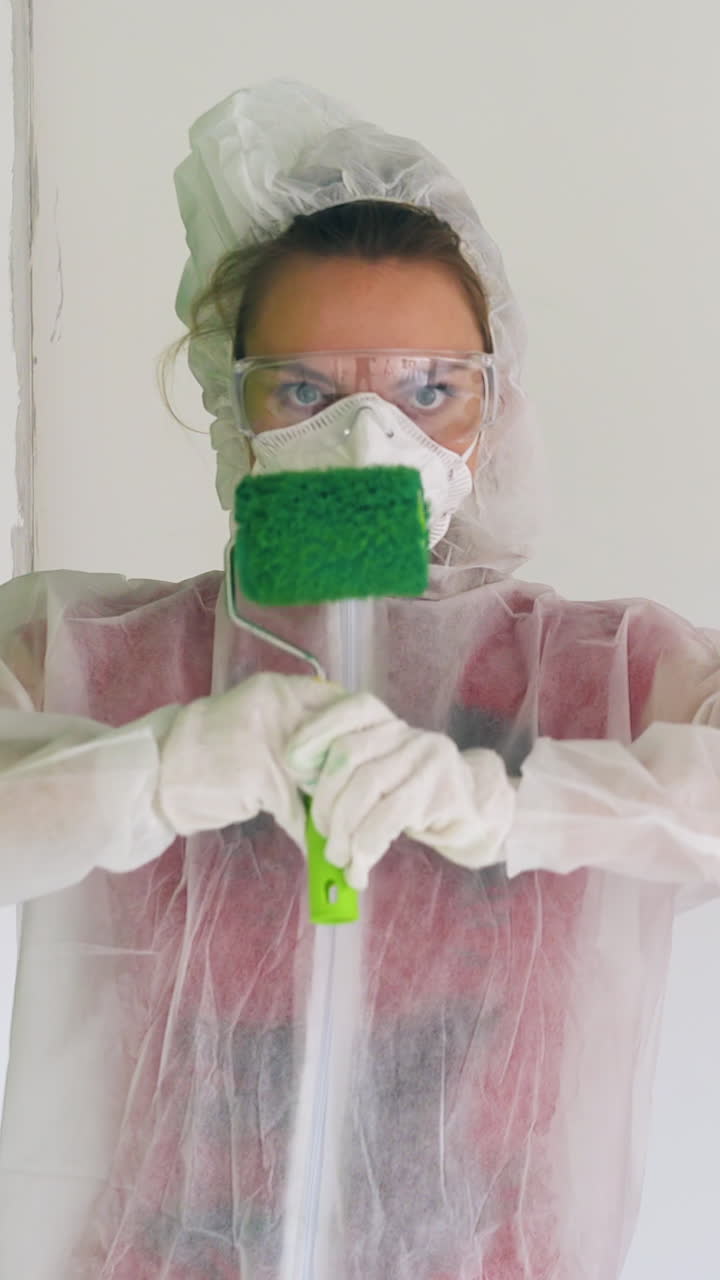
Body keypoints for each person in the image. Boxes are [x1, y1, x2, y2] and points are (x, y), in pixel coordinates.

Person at [0, 79, 719, 1280]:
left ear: (496, 407)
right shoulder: (93, 652)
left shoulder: (605, 669)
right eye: (307, 390)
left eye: (429, 389)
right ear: (235, 410)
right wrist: (155, 767)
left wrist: (515, 800)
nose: (369, 433)